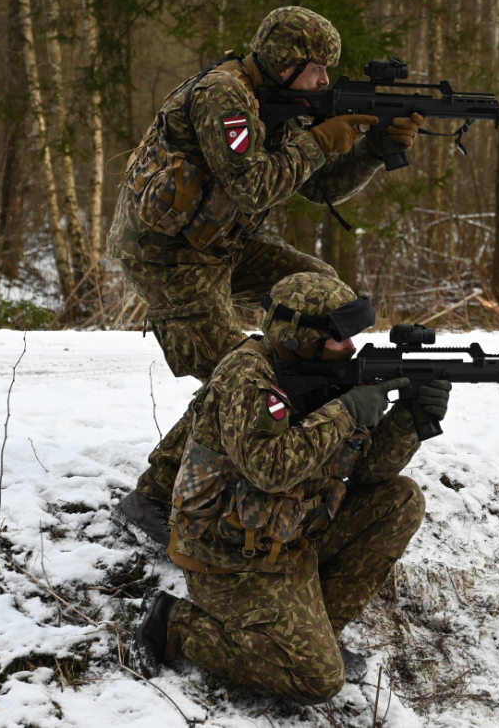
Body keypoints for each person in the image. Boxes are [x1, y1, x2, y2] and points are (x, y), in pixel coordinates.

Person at [124, 271, 451, 703]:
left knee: (400, 500)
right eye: (339, 338)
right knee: (316, 682)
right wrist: (347, 411)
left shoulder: (327, 374)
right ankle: (174, 625)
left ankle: (316, 637)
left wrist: (409, 419)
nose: (351, 348)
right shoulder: (248, 376)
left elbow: (371, 472)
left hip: (290, 537)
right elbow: (270, 470)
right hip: (231, 560)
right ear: (298, 335)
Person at [107, 5, 424, 384]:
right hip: (168, 254)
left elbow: (322, 186)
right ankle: (253, 425)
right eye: (317, 67)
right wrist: (319, 141)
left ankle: (308, 394)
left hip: (223, 243)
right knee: (235, 373)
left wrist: (372, 150)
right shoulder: (223, 95)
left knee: (323, 297)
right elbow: (253, 189)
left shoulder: (277, 101)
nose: (325, 80)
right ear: (284, 62)